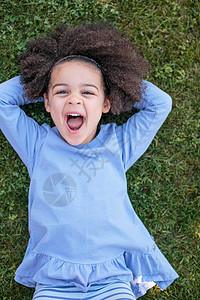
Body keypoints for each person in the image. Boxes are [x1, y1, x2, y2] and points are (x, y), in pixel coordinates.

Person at [0, 22, 178, 299]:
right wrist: (42, 82)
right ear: (46, 103)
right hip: (54, 279)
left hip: (111, 277)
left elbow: (160, 103)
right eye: (62, 92)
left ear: (106, 104)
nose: (74, 99)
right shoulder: (38, 145)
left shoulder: (119, 144)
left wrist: (116, 83)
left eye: (87, 92)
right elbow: (2, 100)